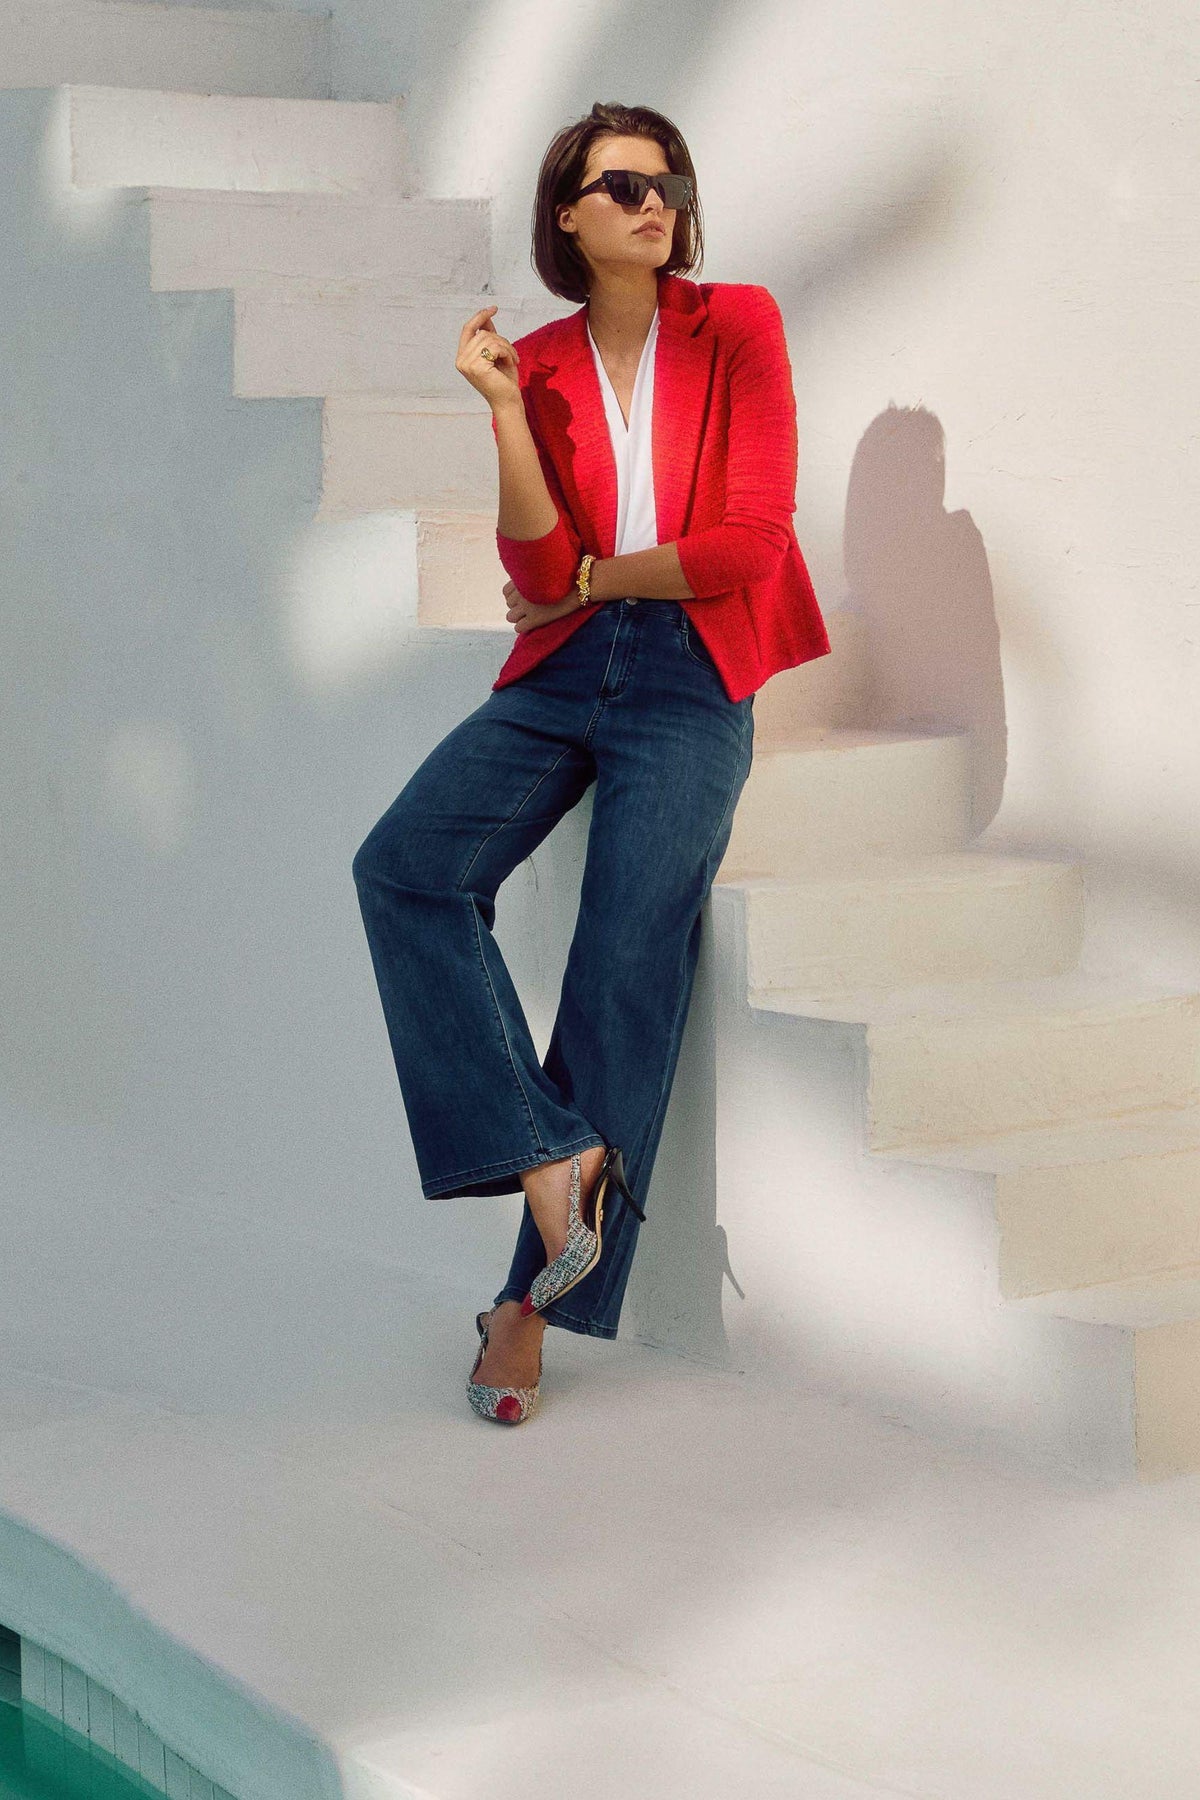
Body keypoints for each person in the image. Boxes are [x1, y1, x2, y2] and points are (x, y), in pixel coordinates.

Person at [352, 101, 831, 1426]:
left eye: (665, 179)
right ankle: (549, 1150)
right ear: (565, 212)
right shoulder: (545, 362)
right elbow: (531, 562)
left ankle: (525, 1310)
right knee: (405, 869)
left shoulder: (738, 325)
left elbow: (748, 546)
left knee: (626, 955)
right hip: (561, 669)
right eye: (619, 184)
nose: (651, 200)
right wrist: (507, 411)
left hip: (691, 672)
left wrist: (594, 580)